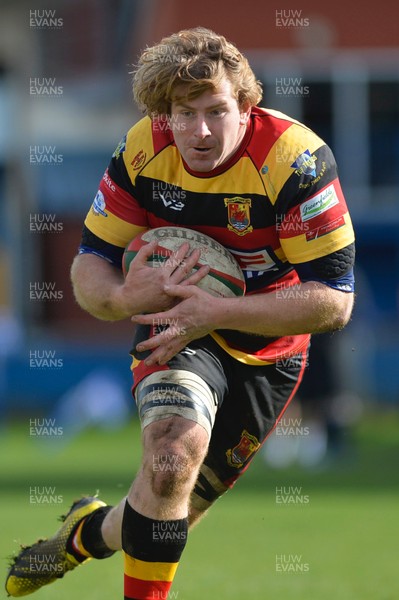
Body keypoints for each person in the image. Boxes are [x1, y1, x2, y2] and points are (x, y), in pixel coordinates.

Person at [6, 27, 355, 599]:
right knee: (169, 462)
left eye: (216, 111)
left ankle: (82, 534)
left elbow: (334, 302)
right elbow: (90, 266)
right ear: (163, 113)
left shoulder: (296, 163)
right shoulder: (144, 150)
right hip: (176, 325)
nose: (200, 131)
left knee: (159, 515)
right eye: (183, 113)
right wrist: (124, 299)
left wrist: (218, 310)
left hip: (270, 351)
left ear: (247, 105)